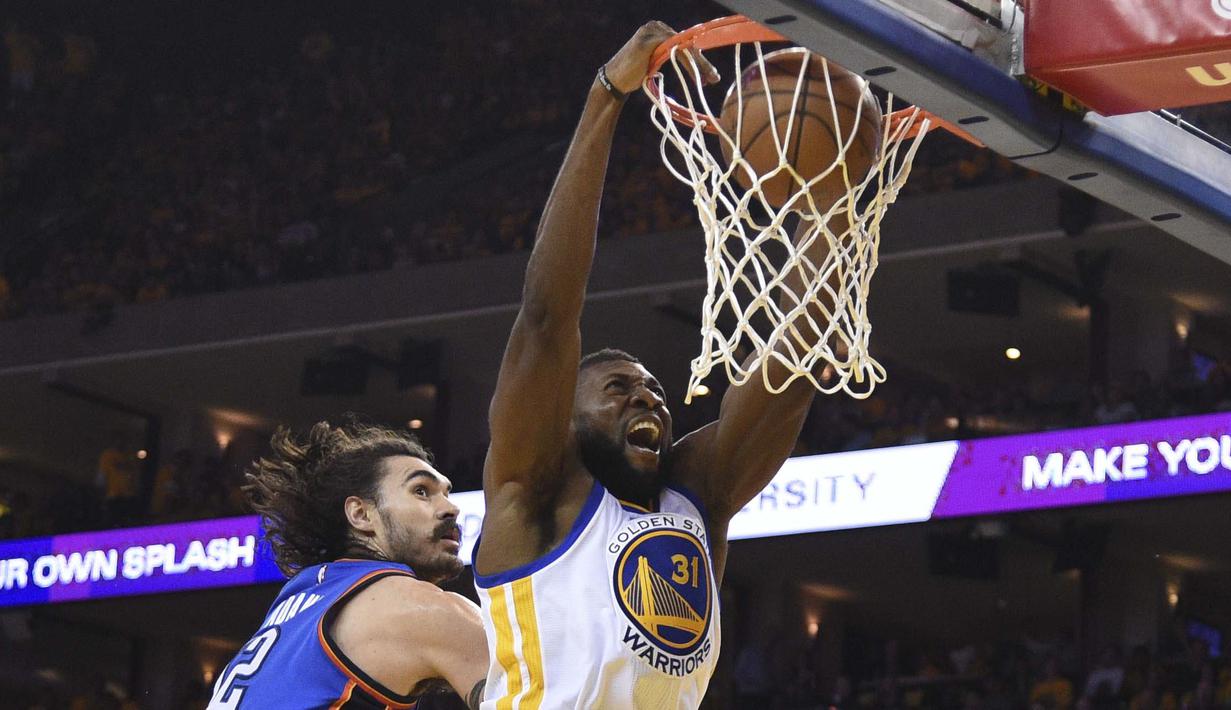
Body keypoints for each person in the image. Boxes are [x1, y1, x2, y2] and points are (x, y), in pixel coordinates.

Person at [474, 21, 834, 708]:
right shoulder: (531, 495)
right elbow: (547, 321)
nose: (647, 400)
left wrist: (831, 205)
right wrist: (606, 96)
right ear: (566, 417)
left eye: (654, 390)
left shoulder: (695, 497)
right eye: (617, 388)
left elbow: (790, 372)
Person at [209, 421, 487, 709]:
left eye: (447, 493)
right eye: (421, 491)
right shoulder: (416, 606)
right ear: (361, 514)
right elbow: (528, 691)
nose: (450, 508)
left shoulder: (297, 600)